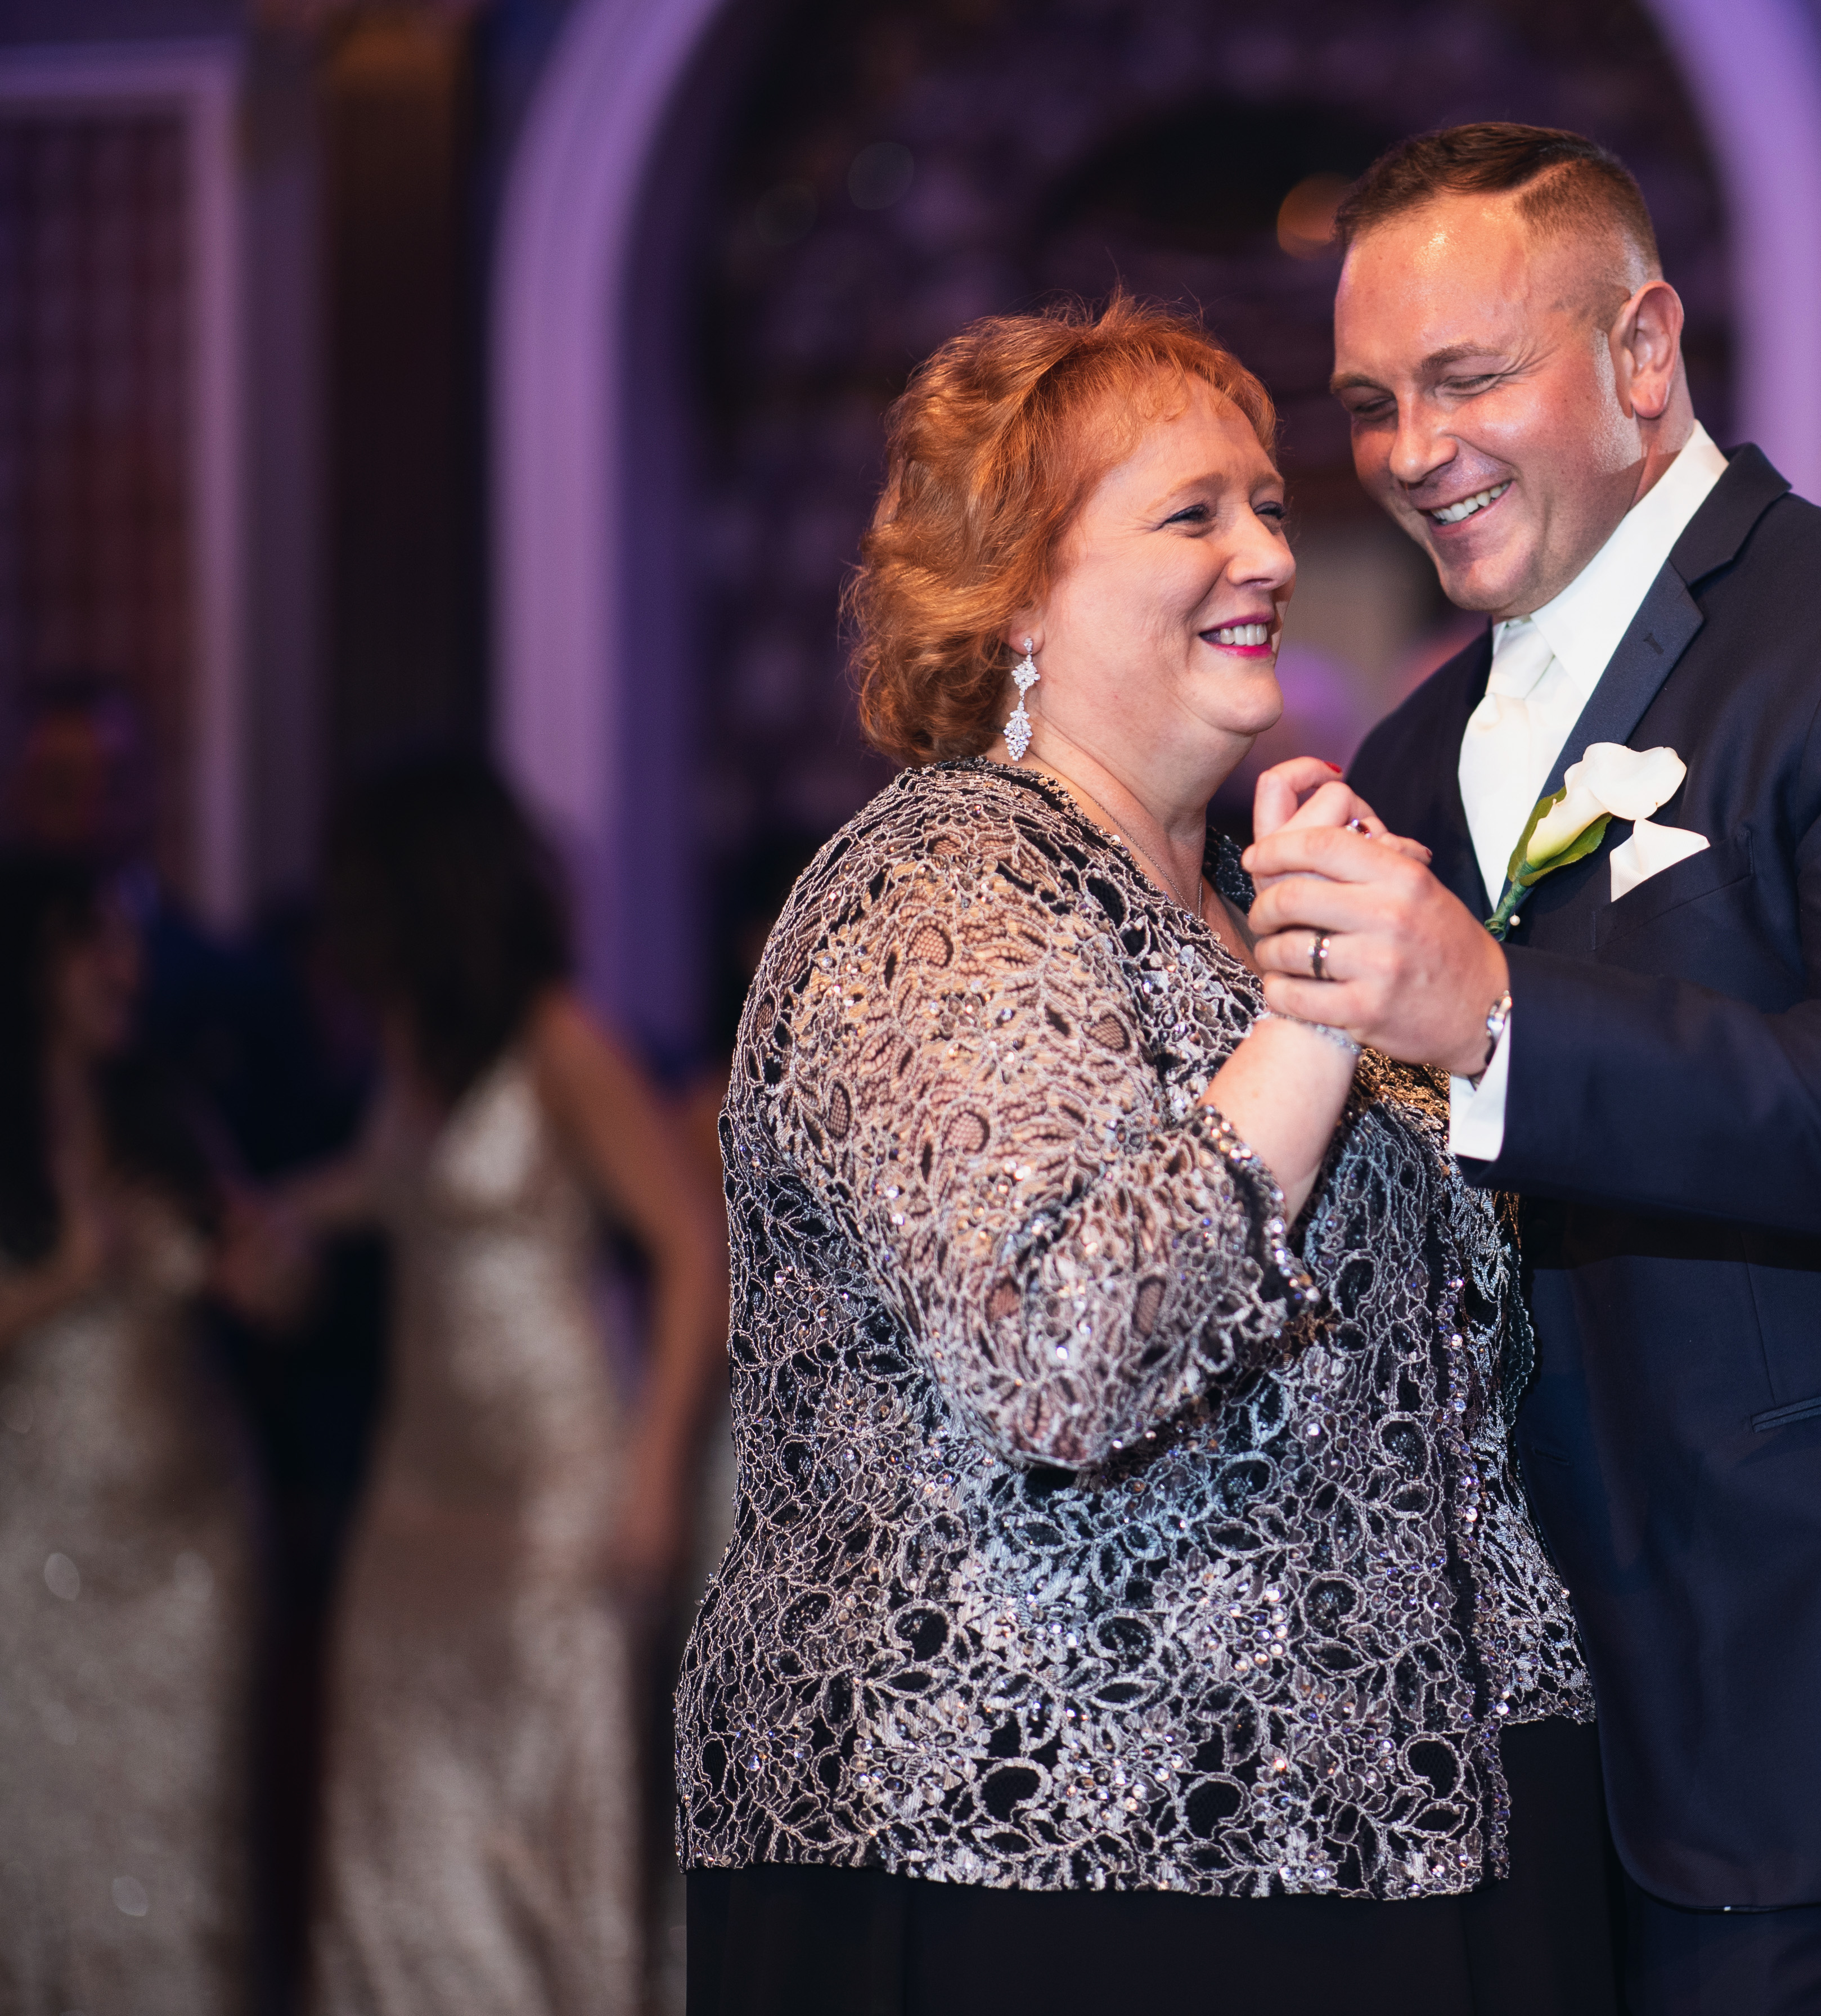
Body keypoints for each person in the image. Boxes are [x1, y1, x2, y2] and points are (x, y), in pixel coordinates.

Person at [673, 296, 1608, 2015]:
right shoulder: (940, 895)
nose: (1270, 551)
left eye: (1270, 504)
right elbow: (1065, 1352)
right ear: (1017, 592)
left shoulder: (1243, 904)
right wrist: (1314, 1012)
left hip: (1375, 1819)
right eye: (1193, 514)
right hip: (1041, 1840)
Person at [1289, 123, 1821, 2013]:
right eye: (1371, 402)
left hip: (1813, 1704)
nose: (1411, 449)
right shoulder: (1404, 762)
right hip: (1497, 1753)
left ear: (1643, 351)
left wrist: (1496, 1017)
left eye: (1466, 377)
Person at [293, 757, 727, 2016]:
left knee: (539, 1837)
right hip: (414, 1491)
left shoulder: (562, 1044)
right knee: (399, 1836)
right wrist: (273, 1214)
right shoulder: (411, 1049)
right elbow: (388, 1187)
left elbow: (689, 1252)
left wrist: (653, 1475)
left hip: (551, 1492)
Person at [0, 856, 257, 2013]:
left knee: (179, 1855)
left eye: (130, 940)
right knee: (42, 1849)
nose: (125, 967)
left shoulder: (166, 1114)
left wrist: (272, 1269)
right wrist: (67, 1274)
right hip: (33, 1555)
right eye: (93, 941)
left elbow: (274, 1272)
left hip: (188, 1554)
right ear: (32, 964)